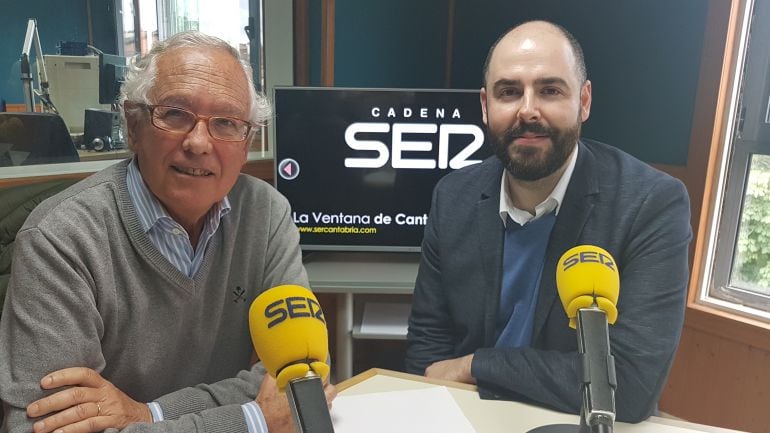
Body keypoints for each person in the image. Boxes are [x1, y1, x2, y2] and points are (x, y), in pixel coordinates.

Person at [0, 31, 334, 433]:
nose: (198, 142)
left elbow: (299, 379)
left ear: (247, 144)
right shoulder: (61, 237)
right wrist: (247, 420)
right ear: (134, 125)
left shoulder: (266, 214)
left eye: (226, 123)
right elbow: (39, 428)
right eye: (175, 114)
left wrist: (146, 414)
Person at [405, 20, 692, 423]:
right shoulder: (453, 196)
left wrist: (475, 365)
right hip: (469, 417)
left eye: (550, 90)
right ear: (486, 106)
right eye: (509, 92)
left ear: (584, 101)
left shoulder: (650, 204)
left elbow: (629, 385)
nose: (527, 110)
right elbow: (427, 354)